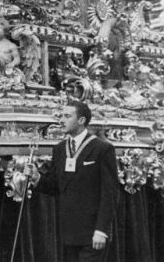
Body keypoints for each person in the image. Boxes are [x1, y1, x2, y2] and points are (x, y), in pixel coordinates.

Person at [35, 101, 120, 262]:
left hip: (93, 233)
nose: (61, 120)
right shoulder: (59, 149)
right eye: (61, 116)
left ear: (81, 120)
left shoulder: (102, 149)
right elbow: (55, 187)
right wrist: (36, 178)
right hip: (68, 233)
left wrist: (101, 230)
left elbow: (110, 193)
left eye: (67, 116)